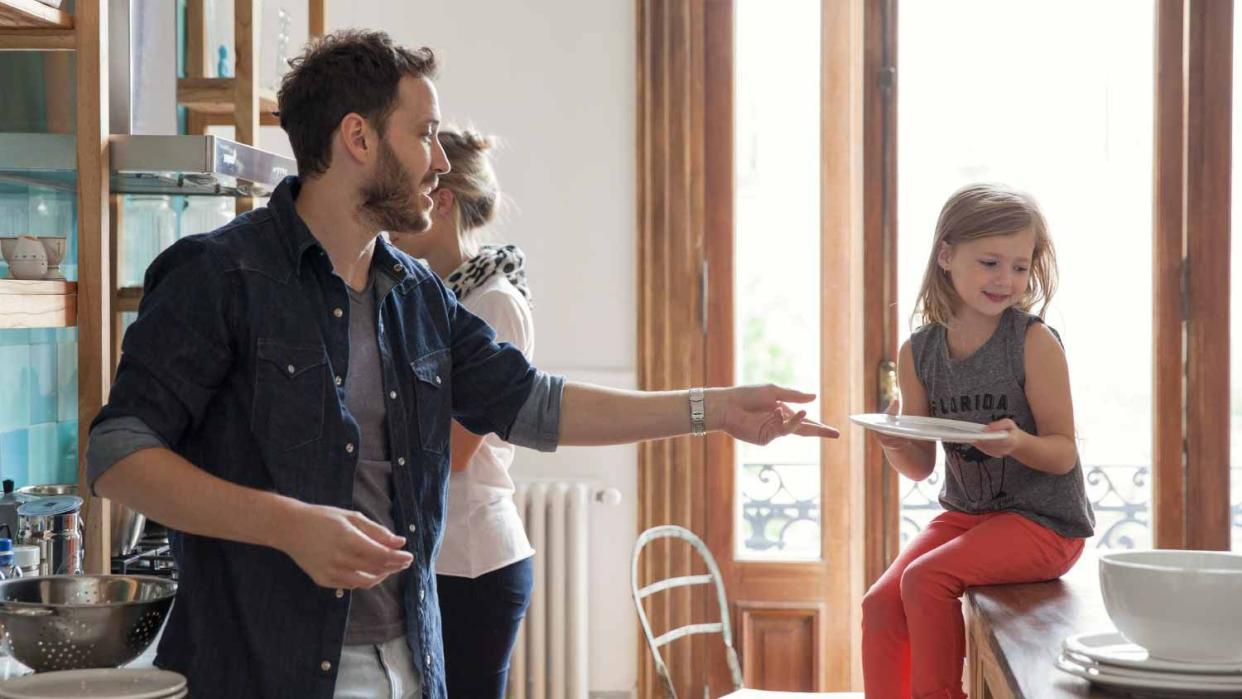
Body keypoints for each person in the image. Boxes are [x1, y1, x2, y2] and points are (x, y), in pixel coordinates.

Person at [85, 30, 837, 699]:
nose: (441, 163)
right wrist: (288, 526)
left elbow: (535, 403)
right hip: (262, 670)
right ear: (359, 138)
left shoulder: (417, 294)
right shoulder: (217, 274)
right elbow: (119, 454)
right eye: (426, 134)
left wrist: (713, 407)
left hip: (411, 663)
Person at [860, 183, 1094, 699]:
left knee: (925, 578)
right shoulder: (918, 351)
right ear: (947, 255)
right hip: (968, 515)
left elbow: (1062, 453)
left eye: (1019, 265)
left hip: (1045, 523)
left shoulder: (1032, 342)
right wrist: (893, 440)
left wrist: (1018, 444)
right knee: (879, 604)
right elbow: (920, 466)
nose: (1006, 279)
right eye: (990, 262)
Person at [388, 127, 536, 697]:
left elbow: (452, 451)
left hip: (474, 558)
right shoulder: (435, 294)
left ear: (442, 200)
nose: (389, 217)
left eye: (407, 196)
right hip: (440, 552)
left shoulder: (493, 302)